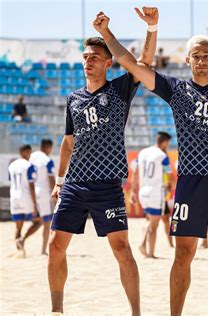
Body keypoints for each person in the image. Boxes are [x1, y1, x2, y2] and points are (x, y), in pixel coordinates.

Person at [94, 10, 208, 316]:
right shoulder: (176, 90)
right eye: (196, 56)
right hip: (191, 182)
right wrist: (109, 34)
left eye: (206, 55)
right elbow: (131, 65)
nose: (201, 60)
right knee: (183, 255)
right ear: (187, 60)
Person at [48, 7, 158, 315]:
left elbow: (144, 64)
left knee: (121, 250)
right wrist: (59, 182)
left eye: (94, 57)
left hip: (107, 184)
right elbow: (67, 142)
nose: (88, 61)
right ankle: (56, 310)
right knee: (55, 247)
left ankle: (136, 312)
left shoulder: (120, 90)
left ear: (108, 63)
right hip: (74, 184)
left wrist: (152, 28)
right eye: (85, 57)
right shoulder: (74, 99)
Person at [130, 132, 174, 258]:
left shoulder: (143, 152)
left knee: (149, 220)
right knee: (154, 225)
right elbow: (170, 176)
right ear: (164, 142)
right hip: (155, 192)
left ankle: (144, 245)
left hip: (143, 191)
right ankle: (149, 252)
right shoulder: (162, 156)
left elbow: (135, 172)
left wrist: (133, 191)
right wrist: (171, 185)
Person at [8, 144, 42, 256]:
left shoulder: (11, 165)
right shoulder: (29, 165)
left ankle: (20, 252)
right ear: (27, 152)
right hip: (26, 198)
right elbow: (31, 186)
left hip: (14, 198)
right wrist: (35, 204)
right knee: (38, 221)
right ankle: (23, 239)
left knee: (18, 227)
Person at [29, 138, 55, 255]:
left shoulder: (32, 156)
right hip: (44, 193)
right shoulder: (47, 160)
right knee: (47, 223)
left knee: (38, 221)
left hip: (34, 191)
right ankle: (43, 250)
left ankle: (22, 238)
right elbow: (51, 179)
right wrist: (56, 193)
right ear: (48, 147)